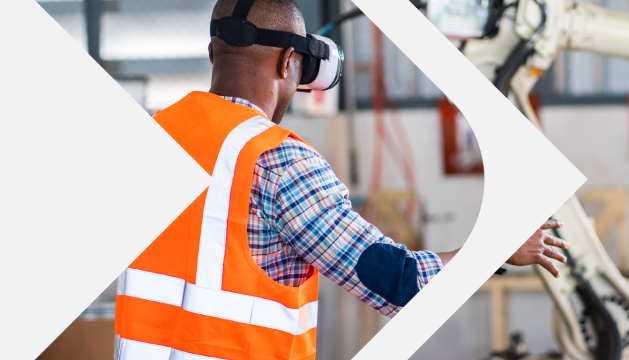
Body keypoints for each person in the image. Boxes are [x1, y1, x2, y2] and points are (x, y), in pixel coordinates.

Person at [113, 0, 569, 359]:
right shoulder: (277, 160)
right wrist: (496, 249)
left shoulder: (151, 136)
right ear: (290, 63)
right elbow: (396, 283)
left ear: (213, 52)